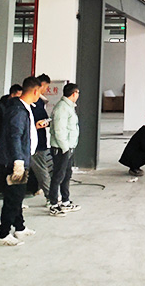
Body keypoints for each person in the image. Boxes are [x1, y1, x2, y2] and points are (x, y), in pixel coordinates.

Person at [0, 76, 41, 246]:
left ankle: (19, 227)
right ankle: (4, 234)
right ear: (35, 91)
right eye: (40, 92)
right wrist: (18, 161)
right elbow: (15, 136)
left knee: (18, 195)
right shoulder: (18, 110)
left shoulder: (23, 108)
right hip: (15, 161)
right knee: (13, 197)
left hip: (22, 158)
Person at [47, 83, 81, 216]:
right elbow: (59, 130)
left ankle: (65, 201)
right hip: (61, 148)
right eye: (78, 93)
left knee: (66, 175)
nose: (78, 95)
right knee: (58, 176)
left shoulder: (69, 107)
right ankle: (53, 204)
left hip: (68, 147)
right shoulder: (62, 108)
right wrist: (65, 148)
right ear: (74, 93)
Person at [30, 74, 53, 205]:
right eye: (46, 87)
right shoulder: (32, 103)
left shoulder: (39, 102)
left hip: (39, 140)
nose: (46, 90)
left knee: (40, 169)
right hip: (35, 143)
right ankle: (51, 198)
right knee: (42, 170)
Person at [0, 83, 22, 152]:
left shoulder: (18, 106)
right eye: (18, 95)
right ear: (12, 94)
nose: (20, 98)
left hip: (11, 136)